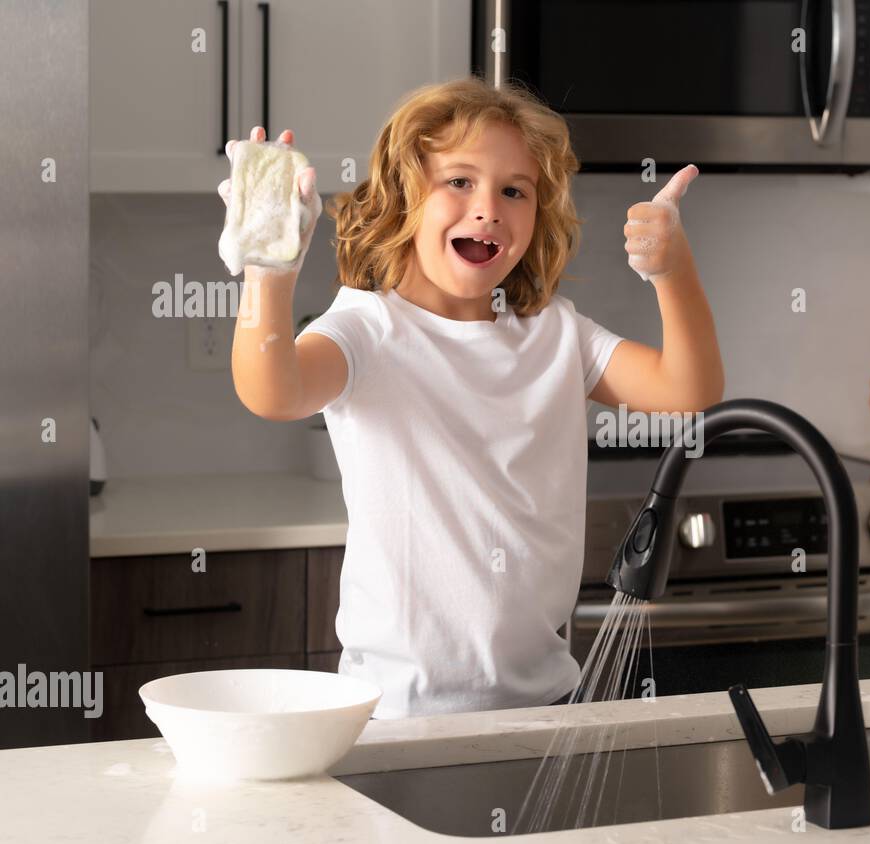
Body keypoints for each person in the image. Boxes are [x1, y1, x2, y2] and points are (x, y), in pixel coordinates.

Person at [222, 77, 723, 718]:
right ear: (403, 197)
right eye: (459, 181)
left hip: (547, 703)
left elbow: (689, 389)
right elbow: (273, 390)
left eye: (514, 190)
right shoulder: (368, 329)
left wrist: (674, 272)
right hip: (400, 714)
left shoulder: (557, 333)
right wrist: (268, 266)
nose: (489, 207)